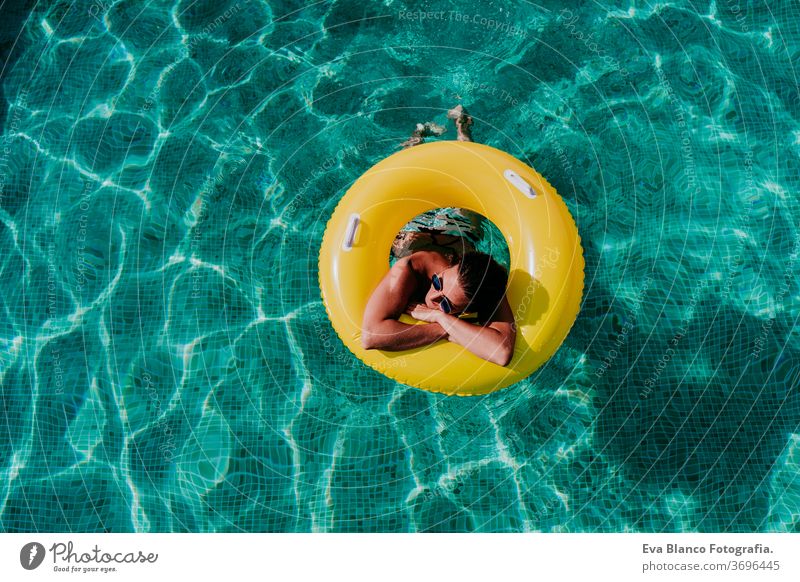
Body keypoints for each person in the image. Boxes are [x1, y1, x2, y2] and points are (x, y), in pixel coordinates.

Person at [361, 105, 516, 366]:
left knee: (467, 181)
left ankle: (461, 128)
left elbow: (501, 353)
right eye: (438, 282)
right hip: (428, 229)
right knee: (427, 174)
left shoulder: (479, 285)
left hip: (453, 236)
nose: (433, 297)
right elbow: (372, 336)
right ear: (452, 264)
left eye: (445, 304)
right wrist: (452, 327)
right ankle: (422, 134)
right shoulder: (408, 269)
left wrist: (441, 318)